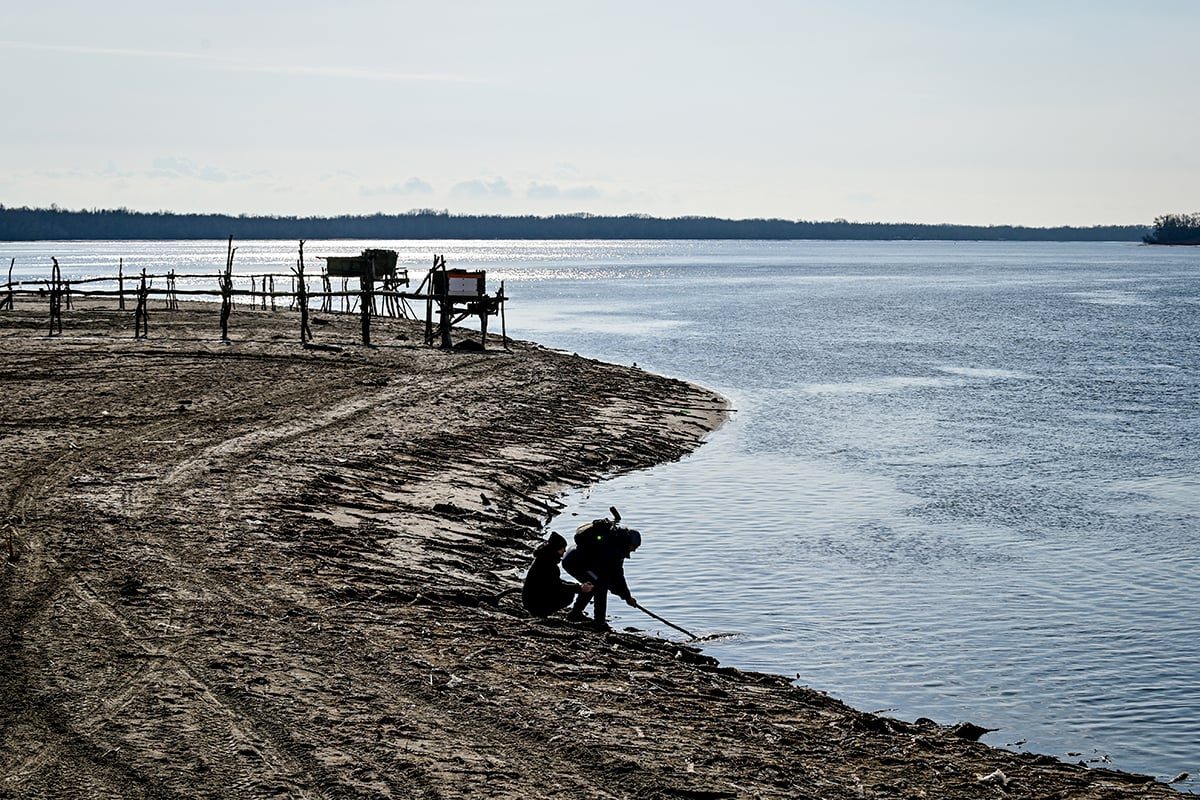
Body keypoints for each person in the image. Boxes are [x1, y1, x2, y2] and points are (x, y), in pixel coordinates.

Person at [562, 524, 641, 631]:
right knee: (599, 586)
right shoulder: (614, 549)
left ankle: (576, 614)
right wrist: (626, 596)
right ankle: (598, 622)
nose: (634, 550)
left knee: (595, 584)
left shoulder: (616, 544)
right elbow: (616, 576)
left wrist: (625, 596)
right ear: (628, 543)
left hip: (576, 558)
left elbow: (615, 576)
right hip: (574, 562)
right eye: (634, 547)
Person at [522, 532, 593, 617]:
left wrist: (576, 586)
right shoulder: (548, 564)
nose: (565, 551)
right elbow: (556, 586)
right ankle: (542, 613)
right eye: (562, 548)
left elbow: (553, 582)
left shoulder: (543, 559)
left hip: (531, 598)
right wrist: (579, 588)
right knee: (568, 595)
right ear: (555, 549)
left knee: (568, 588)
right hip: (535, 603)